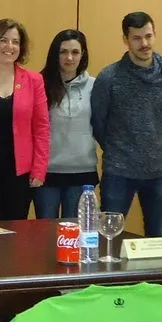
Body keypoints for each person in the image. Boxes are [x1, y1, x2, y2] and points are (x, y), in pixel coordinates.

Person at [91, 12, 162, 237]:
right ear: (125, 39)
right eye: (137, 38)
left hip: (158, 173)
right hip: (118, 172)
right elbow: (99, 122)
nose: (144, 43)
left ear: (155, 35)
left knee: (158, 237)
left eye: (148, 36)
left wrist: (154, 146)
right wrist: (119, 150)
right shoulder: (109, 78)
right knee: (109, 238)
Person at [0, 18, 49, 222]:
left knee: (15, 232)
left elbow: (41, 128)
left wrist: (39, 169)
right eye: (4, 40)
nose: (9, 46)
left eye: (15, 42)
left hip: (20, 173)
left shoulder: (34, 81)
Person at [34, 30, 98, 219]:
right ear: (55, 54)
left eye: (75, 52)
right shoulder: (40, 84)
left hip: (82, 173)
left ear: (83, 54)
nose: (69, 58)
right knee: (46, 234)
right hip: (46, 173)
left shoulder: (95, 86)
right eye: (63, 52)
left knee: (76, 236)